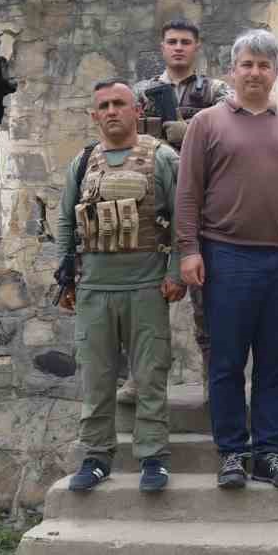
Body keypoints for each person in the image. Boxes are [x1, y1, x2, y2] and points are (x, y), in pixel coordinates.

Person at [176, 29, 278, 491]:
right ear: (233, 71)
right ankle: (232, 452)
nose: (255, 72)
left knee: (276, 361)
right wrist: (189, 250)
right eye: (247, 64)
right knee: (226, 361)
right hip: (226, 258)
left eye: (264, 65)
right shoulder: (207, 123)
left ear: (276, 73)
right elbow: (187, 193)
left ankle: (269, 451)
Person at [55, 79, 186, 493]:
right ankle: (95, 457)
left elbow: (184, 217)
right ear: (95, 115)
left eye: (119, 104)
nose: (112, 111)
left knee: (149, 376)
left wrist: (176, 271)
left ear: (135, 110)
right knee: (96, 378)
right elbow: (65, 223)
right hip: (94, 289)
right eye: (104, 106)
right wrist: (65, 276)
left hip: (147, 287)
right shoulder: (83, 162)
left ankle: (153, 458)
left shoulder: (162, 157)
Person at [121, 19, 230, 403]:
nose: (179, 47)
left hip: (205, 207)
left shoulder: (217, 91)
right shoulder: (141, 93)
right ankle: (142, 380)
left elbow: (237, 130)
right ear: (162, 46)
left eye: (186, 42)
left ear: (196, 46)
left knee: (208, 304)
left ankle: (212, 383)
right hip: (154, 205)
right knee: (146, 303)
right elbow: (121, 138)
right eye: (172, 42)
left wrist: (192, 129)